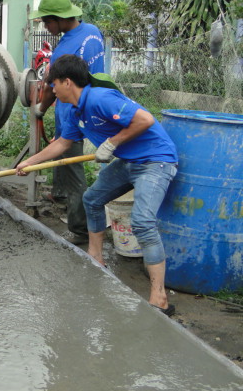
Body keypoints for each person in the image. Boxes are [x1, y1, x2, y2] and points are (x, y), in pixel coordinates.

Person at [16, 54, 178, 316]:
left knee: (142, 222)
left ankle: (159, 297)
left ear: (67, 82)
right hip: (129, 161)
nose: (51, 90)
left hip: (155, 161)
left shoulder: (101, 98)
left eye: (53, 84)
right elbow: (62, 143)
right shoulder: (71, 109)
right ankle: (96, 258)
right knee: (92, 199)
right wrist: (29, 163)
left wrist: (113, 142)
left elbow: (145, 120)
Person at [31, 0, 105, 245]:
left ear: (58, 19)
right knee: (62, 156)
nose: (45, 26)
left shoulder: (66, 48)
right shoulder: (93, 32)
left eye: (46, 22)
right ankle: (60, 197)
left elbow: (53, 88)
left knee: (73, 170)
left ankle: (81, 229)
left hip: (75, 114)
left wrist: (40, 109)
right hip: (84, 109)